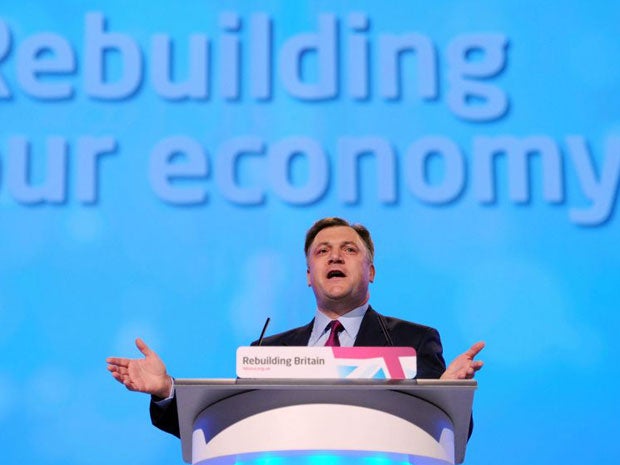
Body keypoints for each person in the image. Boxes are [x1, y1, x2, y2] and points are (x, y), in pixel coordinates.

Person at [107, 217, 484, 438]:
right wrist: (166, 390)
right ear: (308, 276)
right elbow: (224, 423)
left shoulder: (412, 340)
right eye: (322, 251)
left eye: (349, 250)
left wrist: (448, 393)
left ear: (370, 272)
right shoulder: (268, 352)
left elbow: (444, 434)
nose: (335, 255)